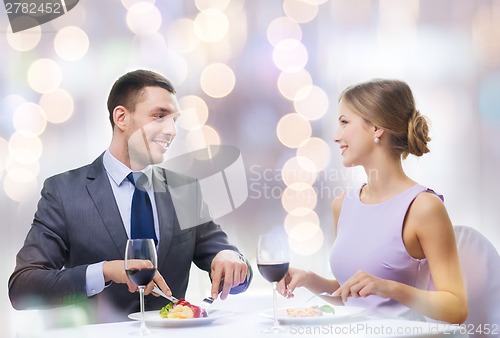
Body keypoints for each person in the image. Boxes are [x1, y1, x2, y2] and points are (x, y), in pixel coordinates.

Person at [8, 69, 252, 323]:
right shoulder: (63, 192)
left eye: (174, 121)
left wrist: (231, 259)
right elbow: (23, 288)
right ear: (121, 117)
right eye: (159, 116)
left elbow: (229, 265)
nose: (171, 131)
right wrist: (105, 271)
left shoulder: (185, 190)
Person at [278, 79, 467, 324]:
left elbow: (457, 308)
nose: (337, 136)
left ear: (377, 128)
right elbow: (355, 296)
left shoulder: (424, 207)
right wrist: (310, 279)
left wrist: (391, 288)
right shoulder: (343, 204)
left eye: (345, 122)